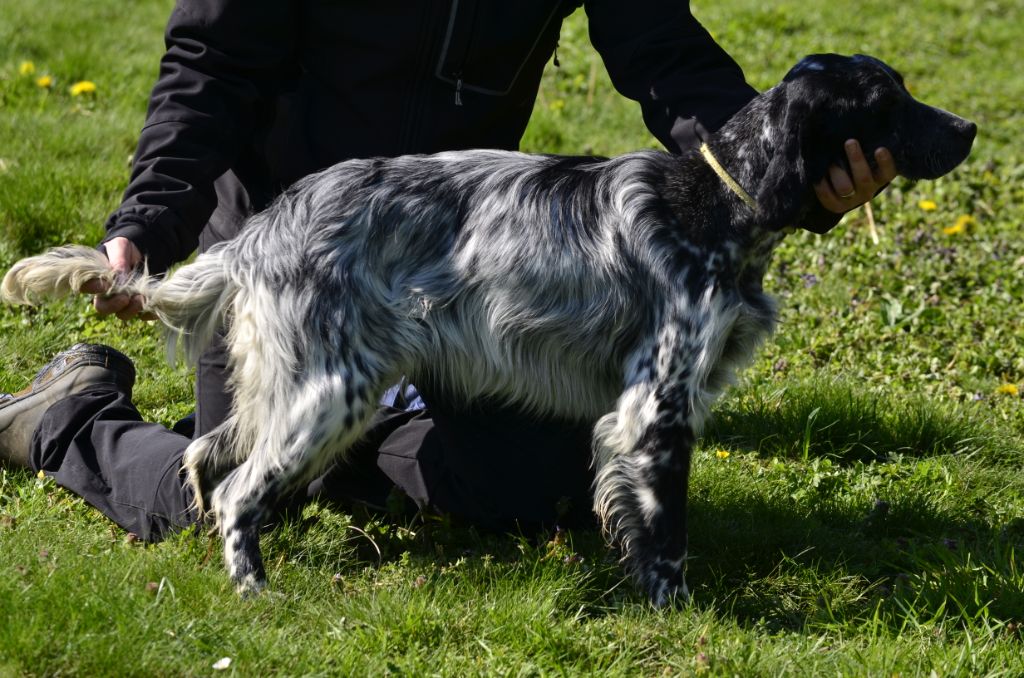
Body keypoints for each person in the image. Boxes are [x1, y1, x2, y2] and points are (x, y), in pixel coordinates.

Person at [0, 1, 894, 542]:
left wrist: (793, 178)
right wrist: (146, 230)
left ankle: (350, 436)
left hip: (465, 265)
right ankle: (66, 416)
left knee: (538, 492)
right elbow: (211, 65)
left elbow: (665, 54)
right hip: (298, 252)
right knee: (224, 500)